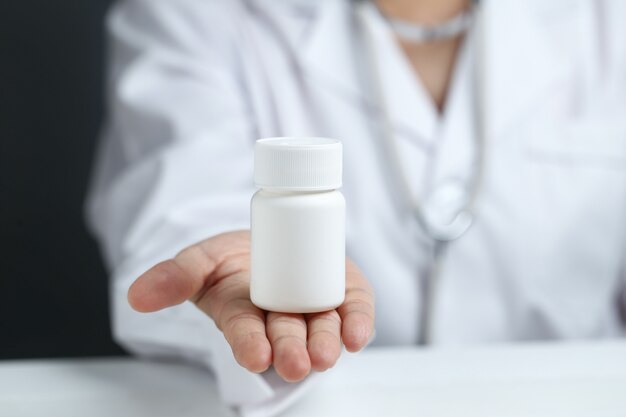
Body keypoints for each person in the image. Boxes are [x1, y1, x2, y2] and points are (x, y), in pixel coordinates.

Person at [86, 0, 626, 415]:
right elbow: (184, 207)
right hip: (327, 404)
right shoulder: (194, 15)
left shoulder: (605, 19)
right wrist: (242, 279)